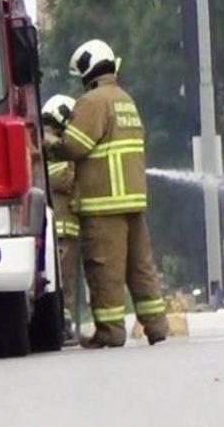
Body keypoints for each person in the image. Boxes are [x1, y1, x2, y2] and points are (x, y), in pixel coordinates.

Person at [47, 39, 169, 348]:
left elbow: (75, 145)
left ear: (88, 71)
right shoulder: (125, 99)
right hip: (133, 200)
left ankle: (110, 331)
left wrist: (50, 144)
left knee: (104, 269)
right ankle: (156, 326)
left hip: (103, 203)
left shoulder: (92, 102)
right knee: (140, 266)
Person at [41, 94, 81, 344]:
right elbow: (64, 178)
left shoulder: (49, 143)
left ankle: (63, 323)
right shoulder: (50, 146)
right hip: (62, 229)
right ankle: (62, 326)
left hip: (63, 228)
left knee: (65, 282)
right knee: (63, 283)